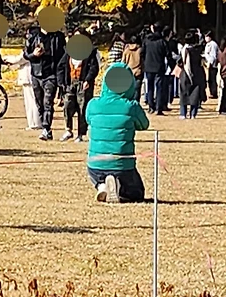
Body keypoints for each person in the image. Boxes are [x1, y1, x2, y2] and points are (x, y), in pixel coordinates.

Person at [86, 64, 149, 203]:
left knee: (96, 174)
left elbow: (88, 120)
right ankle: (118, 186)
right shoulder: (131, 106)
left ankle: (101, 185)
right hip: (122, 165)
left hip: (95, 164)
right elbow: (144, 125)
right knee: (137, 193)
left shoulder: (93, 104)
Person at [63, 38, 100, 139]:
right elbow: (61, 66)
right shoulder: (68, 52)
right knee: (67, 105)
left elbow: (94, 68)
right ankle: (68, 130)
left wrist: (88, 80)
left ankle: (81, 133)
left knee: (82, 108)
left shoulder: (90, 52)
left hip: (83, 83)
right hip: (70, 83)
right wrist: (62, 82)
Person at [141, 25, 170, 116]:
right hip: (159, 67)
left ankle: (151, 106)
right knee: (159, 87)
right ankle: (158, 108)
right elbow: (168, 54)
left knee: (150, 87)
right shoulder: (162, 41)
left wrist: (145, 62)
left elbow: (142, 53)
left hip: (148, 67)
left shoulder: (146, 40)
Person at [178, 29, 206, 121]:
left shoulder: (184, 50)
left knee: (183, 93)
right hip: (197, 74)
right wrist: (200, 35)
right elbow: (202, 44)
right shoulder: (197, 50)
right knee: (195, 95)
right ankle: (193, 114)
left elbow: (179, 61)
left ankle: (183, 113)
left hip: (185, 73)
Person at [203, 30, 219, 101]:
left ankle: (214, 92)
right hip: (209, 63)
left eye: (206, 37)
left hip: (213, 65)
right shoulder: (208, 44)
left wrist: (210, 63)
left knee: (212, 79)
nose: (205, 38)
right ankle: (212, 92)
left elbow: (213, 55)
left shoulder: (213, 44)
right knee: (210, 79)